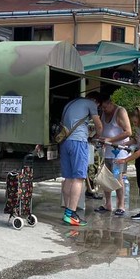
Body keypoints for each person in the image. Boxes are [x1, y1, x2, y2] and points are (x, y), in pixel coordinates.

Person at [59, 93, 103, 227]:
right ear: (95, 101)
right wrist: (95, 136)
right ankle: (71, 214)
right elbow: (99, 126)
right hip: (78, 142)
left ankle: (67, 212)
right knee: (78, 178)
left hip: (65, 142)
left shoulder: (70, 103)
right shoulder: (91, 104)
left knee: (68, 178)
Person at [95, 96, 132, 216]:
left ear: (110, 103)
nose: (104, 110)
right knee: (106, 177)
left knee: (117, 177)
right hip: (108, 151)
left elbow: (128, 132)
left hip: (118, 152)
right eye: (102, 108)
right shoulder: (104, 113)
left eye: (105, 107)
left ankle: (121, 205)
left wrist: (110, 139)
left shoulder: (120, 111)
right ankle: (107, 204)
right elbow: (102, 129)